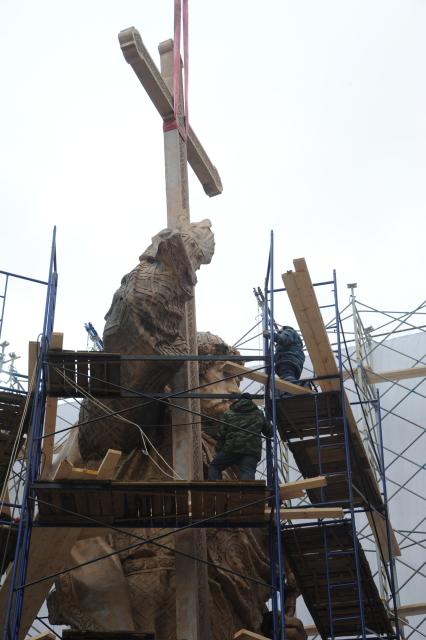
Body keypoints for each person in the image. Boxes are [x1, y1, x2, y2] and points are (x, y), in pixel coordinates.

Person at [208, 392, 272, 481]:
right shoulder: (258, 414)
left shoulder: (229, 413)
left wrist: (219, 450)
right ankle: (247, 493)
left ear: (239, 400)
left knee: (215, 466)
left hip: (232, 448)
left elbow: (221, 434)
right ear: (251, 401)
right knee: (247, 472)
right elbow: (269, 433)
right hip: (251, 450)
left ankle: (214, 489)